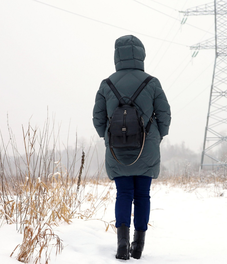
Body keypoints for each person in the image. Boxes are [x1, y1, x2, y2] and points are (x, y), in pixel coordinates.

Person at [92, 35, 171, 260]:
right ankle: (138, 247)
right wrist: (157, 136)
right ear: (141, 55)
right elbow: (164, 114)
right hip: (147, 147)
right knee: (143, 195)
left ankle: (121, 244)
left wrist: (107, 137)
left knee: (123, 194)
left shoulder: (106, 84)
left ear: (117, 56)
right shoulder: (152, 82)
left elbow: (98, 118)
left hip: (117, 149)